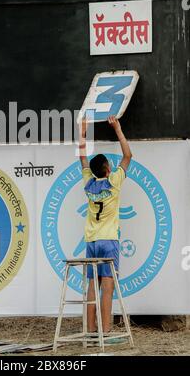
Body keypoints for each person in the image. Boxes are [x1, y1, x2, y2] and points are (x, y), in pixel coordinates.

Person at [79, 115, 132, 338]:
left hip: (91, 240)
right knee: (107, 289)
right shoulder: (114, 182)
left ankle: (91, 332)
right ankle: (106, 332)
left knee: (93, 287)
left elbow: (82, 158)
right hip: (108, 240)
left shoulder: (88, 183)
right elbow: (128, 155)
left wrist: (82, 133)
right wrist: (117, 129)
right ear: (108, 169)